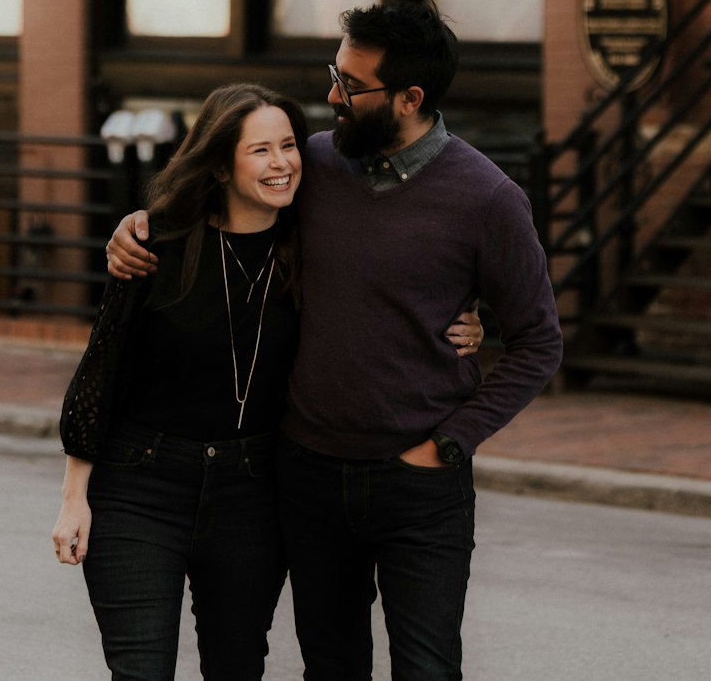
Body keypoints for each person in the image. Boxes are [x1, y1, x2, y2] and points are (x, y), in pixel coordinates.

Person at [107, 2, 563, 681]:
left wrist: (453, 439)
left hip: (420, 486)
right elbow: (221, 199)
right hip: (308, 475)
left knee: (427, 669)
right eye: (334, 74)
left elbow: (538, 341)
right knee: (331, 668)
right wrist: (139, 226)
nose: (331, 97)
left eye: (350, 86)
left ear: (409, 98)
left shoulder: (488, 199)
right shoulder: (314, 164)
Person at [54, 79, 482, 681]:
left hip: (251, 490)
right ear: (220, 164)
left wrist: (465, 321)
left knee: (236, 668)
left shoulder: (317, 248)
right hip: (141, 485)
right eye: (260, 150)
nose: (282, 163)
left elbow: (394, 296)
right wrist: (74, 500)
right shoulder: (158, 245)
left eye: (289, 145)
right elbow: (101, 373)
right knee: (140, 669)